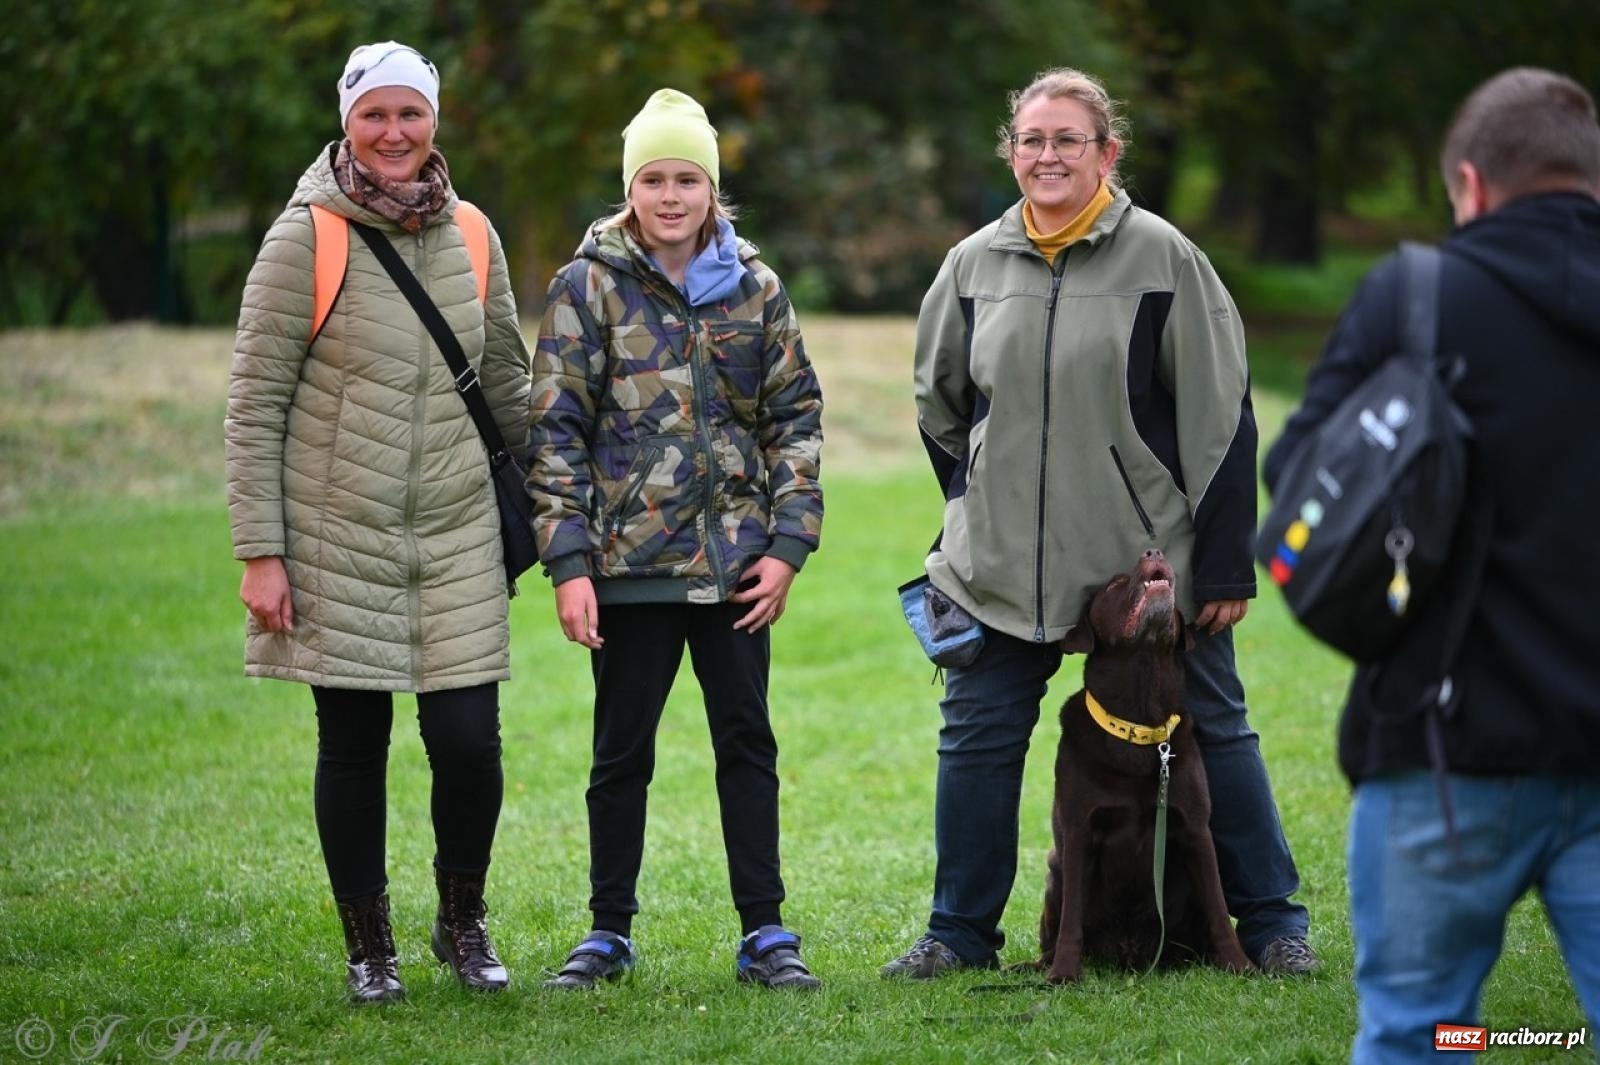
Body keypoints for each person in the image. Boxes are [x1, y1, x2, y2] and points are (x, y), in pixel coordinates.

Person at [883, 67, 1317, 979]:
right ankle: (957, 934)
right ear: (1011, 153)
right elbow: (938, 406)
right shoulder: (971, 265)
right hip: (1000, 564)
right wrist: (975, 503)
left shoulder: (1165, 258)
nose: (1047, 155)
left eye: (1067, 139)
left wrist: (1225, 565)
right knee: (976, 733)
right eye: (1031, 140)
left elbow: (1222, 414)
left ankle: (1275, 922)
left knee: (1218, 727)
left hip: (1139, 568)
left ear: (1106, 152)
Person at [1264, 67, 1600, 1062]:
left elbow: (1297, 487)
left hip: (1442, 752)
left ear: (1469, 184)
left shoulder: (1419, 296)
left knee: (1428, 1036)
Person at [225, 41, 530, 1003]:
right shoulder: (303, 237)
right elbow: (255, 403)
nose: (394, 133)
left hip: (454, 536)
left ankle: (460, 923)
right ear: (347, 121)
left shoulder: (474, 234)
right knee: (352, 748)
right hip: (334, 538)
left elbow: (511, 387)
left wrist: (561, 517)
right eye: (375, 115)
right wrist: (260, 551)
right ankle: (370, 948)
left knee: (470, 743)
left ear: (435, 121)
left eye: (411, 113)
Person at [528, 89, 825, 991]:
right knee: (620, 754)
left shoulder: (756, 289)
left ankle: (766, 933)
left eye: (686, 178)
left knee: (748, 743)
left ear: (711, 188)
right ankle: (607, 929)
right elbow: (554, 430)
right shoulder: (586, 286)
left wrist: (787, 544)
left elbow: (796, 419)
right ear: (631, 189)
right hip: (626, 570)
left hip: (738, 568)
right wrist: (569, 563)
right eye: (652, 178)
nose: (669, 195)